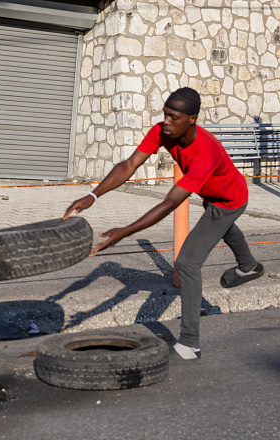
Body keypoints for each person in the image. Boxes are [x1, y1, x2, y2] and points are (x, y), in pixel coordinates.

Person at [62, 87, 263, 360]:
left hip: (230, 201)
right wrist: (92, 195)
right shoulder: (162, 132)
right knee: (220, 226)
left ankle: (190, 343)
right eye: (165, 114)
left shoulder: (205, 153)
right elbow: (130, 164)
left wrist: (124, 232)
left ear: (192, 119)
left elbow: (170, 203)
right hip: (212, 197)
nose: (165, 121)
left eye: (173, 117)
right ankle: (249, 267)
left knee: (187, 262)